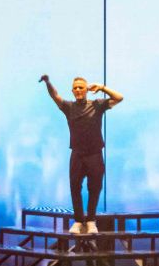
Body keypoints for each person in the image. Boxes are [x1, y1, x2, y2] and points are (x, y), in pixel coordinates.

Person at [40, 75, 123, 235]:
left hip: (95, 154)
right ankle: (78, 221)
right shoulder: (69, 107)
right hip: (77, 154)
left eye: (81, 87)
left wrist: (102, 87)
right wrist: (48, 82)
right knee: (75, 186)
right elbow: (55, 96)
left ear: (86, 90)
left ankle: (91, 221)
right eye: (75, 88)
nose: (78, 90)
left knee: (95, 187)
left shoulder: (97, 105)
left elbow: (119, 98)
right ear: (72, 91)